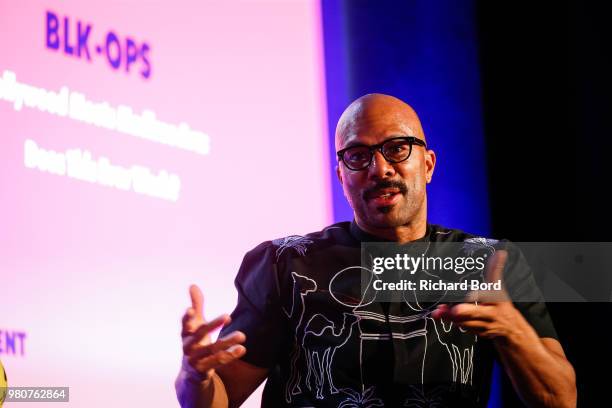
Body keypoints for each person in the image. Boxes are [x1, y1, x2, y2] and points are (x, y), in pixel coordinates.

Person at [175, 94, 576, 407]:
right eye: (358, 156)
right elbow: (217, 398)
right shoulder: (286, 264)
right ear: (341, 176)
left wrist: (512, 330)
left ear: (429, 164)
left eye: (397, 148)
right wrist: (195, 376)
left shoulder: (488, 263)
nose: (380, 168)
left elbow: (560, 399)